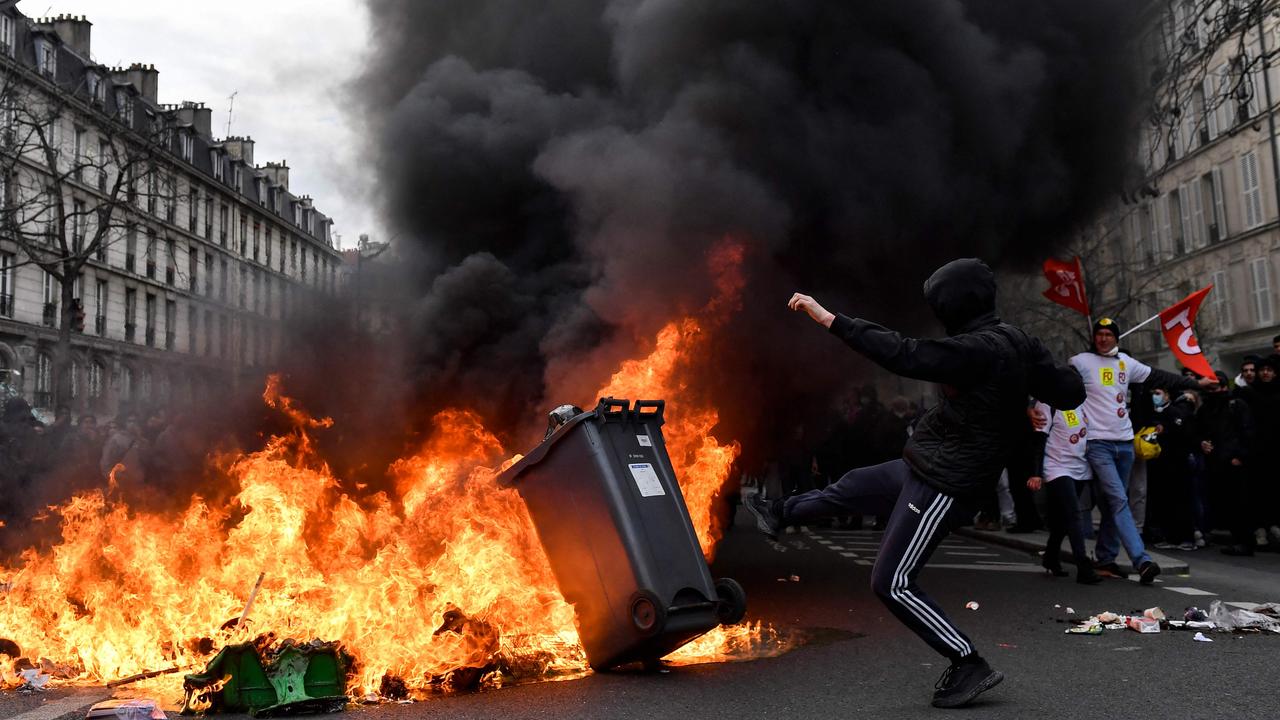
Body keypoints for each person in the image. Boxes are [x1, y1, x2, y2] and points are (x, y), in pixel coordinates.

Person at [746, 258, 1084, 709]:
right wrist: (1029, 390)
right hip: (925, 460)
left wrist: (829, 319)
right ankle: (779, 512)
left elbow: (904, 353)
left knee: (892, 581)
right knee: (851, 486)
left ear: (953, 306)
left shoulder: (977, 350)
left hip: (946, 481)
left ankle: (968, 662)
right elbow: (1070, 390)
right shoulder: (1018, 342)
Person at [1068, 318, 1213, 583]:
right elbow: (1057, 386)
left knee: (1114, 502)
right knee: (1119, 499)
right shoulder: (1080, 362)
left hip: (1124, 444)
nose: (1103, 338)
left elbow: (1160, 376)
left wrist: (1196, 384)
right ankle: (1142, 559)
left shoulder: (1126, 363)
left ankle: (1106, 557)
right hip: (1097, 444)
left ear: (1116, 338)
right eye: (1098, 334)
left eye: (1108, 334)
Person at [1025, 400, 1102, 584]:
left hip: (1081, 468)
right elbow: (1039, 441)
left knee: (1062, 518)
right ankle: (1083, 567)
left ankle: (1050, 557)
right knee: (1074, 514)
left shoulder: (1082, 404)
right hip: (1057, 468)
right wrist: (1036, 473)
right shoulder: (1048, 406)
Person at [1199, 371, 1255, 556]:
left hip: (1234, 461)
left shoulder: (1236, 405)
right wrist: (1202, 443)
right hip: (1216, 462)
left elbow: (1247, 431)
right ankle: (1237, 539)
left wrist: (1240, 456)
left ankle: (1245, 541)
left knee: (1240, 502)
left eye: (1216, 387)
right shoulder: (1207, 407)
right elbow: (1200, 430)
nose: (1213, 391)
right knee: (1227, 503)